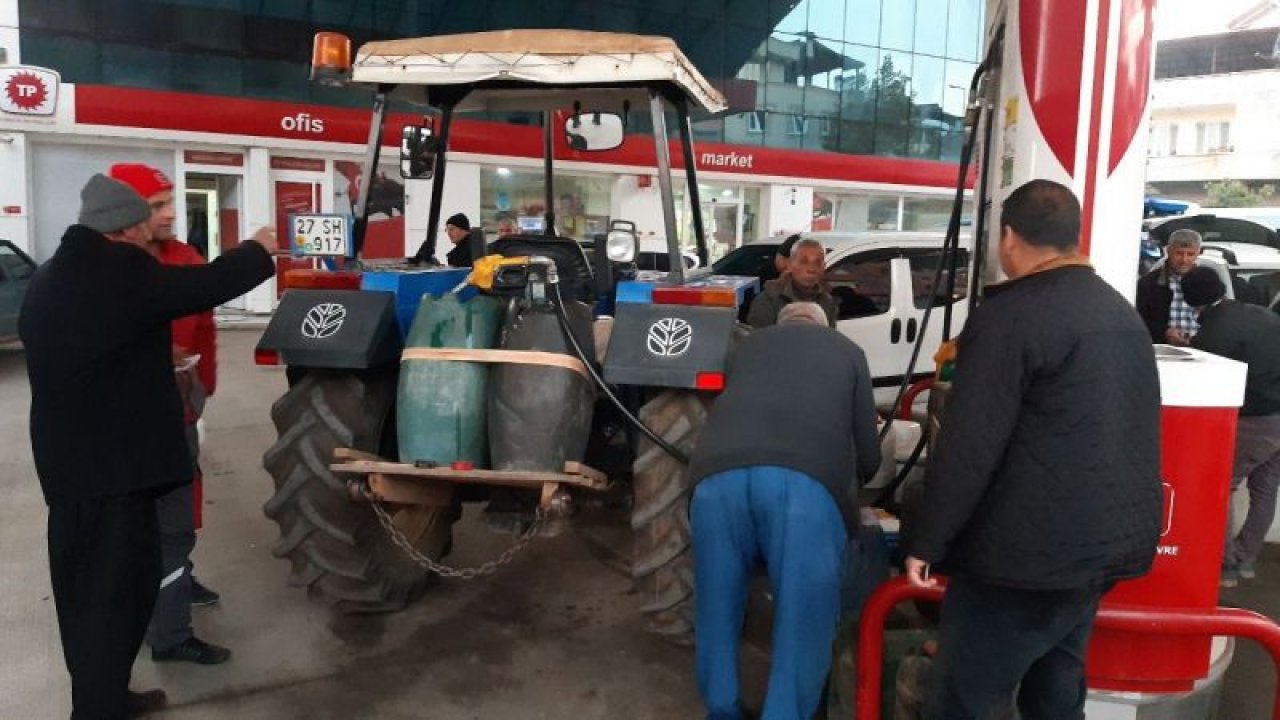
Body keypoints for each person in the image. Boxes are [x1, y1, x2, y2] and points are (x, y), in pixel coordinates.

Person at [20, 174, 276, 718]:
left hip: (69, 469)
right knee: (115, 599)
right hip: (114, 472)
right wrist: (259, 248)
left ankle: (105, 695)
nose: (154, 228)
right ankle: (98, 709)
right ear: (128, 227)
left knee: (82, 595)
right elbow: (201, 286)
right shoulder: (119, 269)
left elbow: (90, 350)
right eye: (150, 216)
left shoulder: (51, 275)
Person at [905, 179, 1162, 720]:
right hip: (1102, 549)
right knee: (1055, 691)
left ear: (1009, 237)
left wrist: (926, 541)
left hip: (1024, 558)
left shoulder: (1011, 316)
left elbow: (970, 443)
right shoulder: (1120, 314)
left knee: (961, 699)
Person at [688, 301, 881, 720]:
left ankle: (722, 708)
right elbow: (869, 453)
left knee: (716, 606)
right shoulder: (846, 350)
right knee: (802, 617)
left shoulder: (746, 347)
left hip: (714, 479)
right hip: (802, 487)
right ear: (822, 325)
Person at [108, 163, 229, 665]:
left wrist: (201, 390)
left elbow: (203, 332)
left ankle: (171, 588)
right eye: (156, 205)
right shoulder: (116, 268)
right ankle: (169, 633)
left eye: (168, 202)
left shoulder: (186, 258)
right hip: (137, 422)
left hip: (182, 409)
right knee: (161, 527)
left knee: (179, 520)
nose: (168, 214)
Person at [1180, 266, 1280, 586]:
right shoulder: (1256, 313)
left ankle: (1225, 564)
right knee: (1265, 489)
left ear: (1190, 299)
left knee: (1223, 484)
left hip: (1256, 419)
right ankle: (1246, 557)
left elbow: (1203, 380)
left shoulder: (1213, 331)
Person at [745, 238, 837, 328]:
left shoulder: (827, 303)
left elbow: (829, 340)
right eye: (804, 262)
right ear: (790, 264)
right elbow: (759, 340)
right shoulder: (768, 299)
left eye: (817, 263)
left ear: (824, 267)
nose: (811, 269)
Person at [1136, 228, 1203, 345]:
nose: (1184, 260)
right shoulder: (1149, 284)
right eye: (1179, 253)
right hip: (1163, 351)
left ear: (1198, 253)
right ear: (1168, 251)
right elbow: (1138, 321)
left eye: (1190, 254)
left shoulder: (1207, 283)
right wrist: (1164, 333)